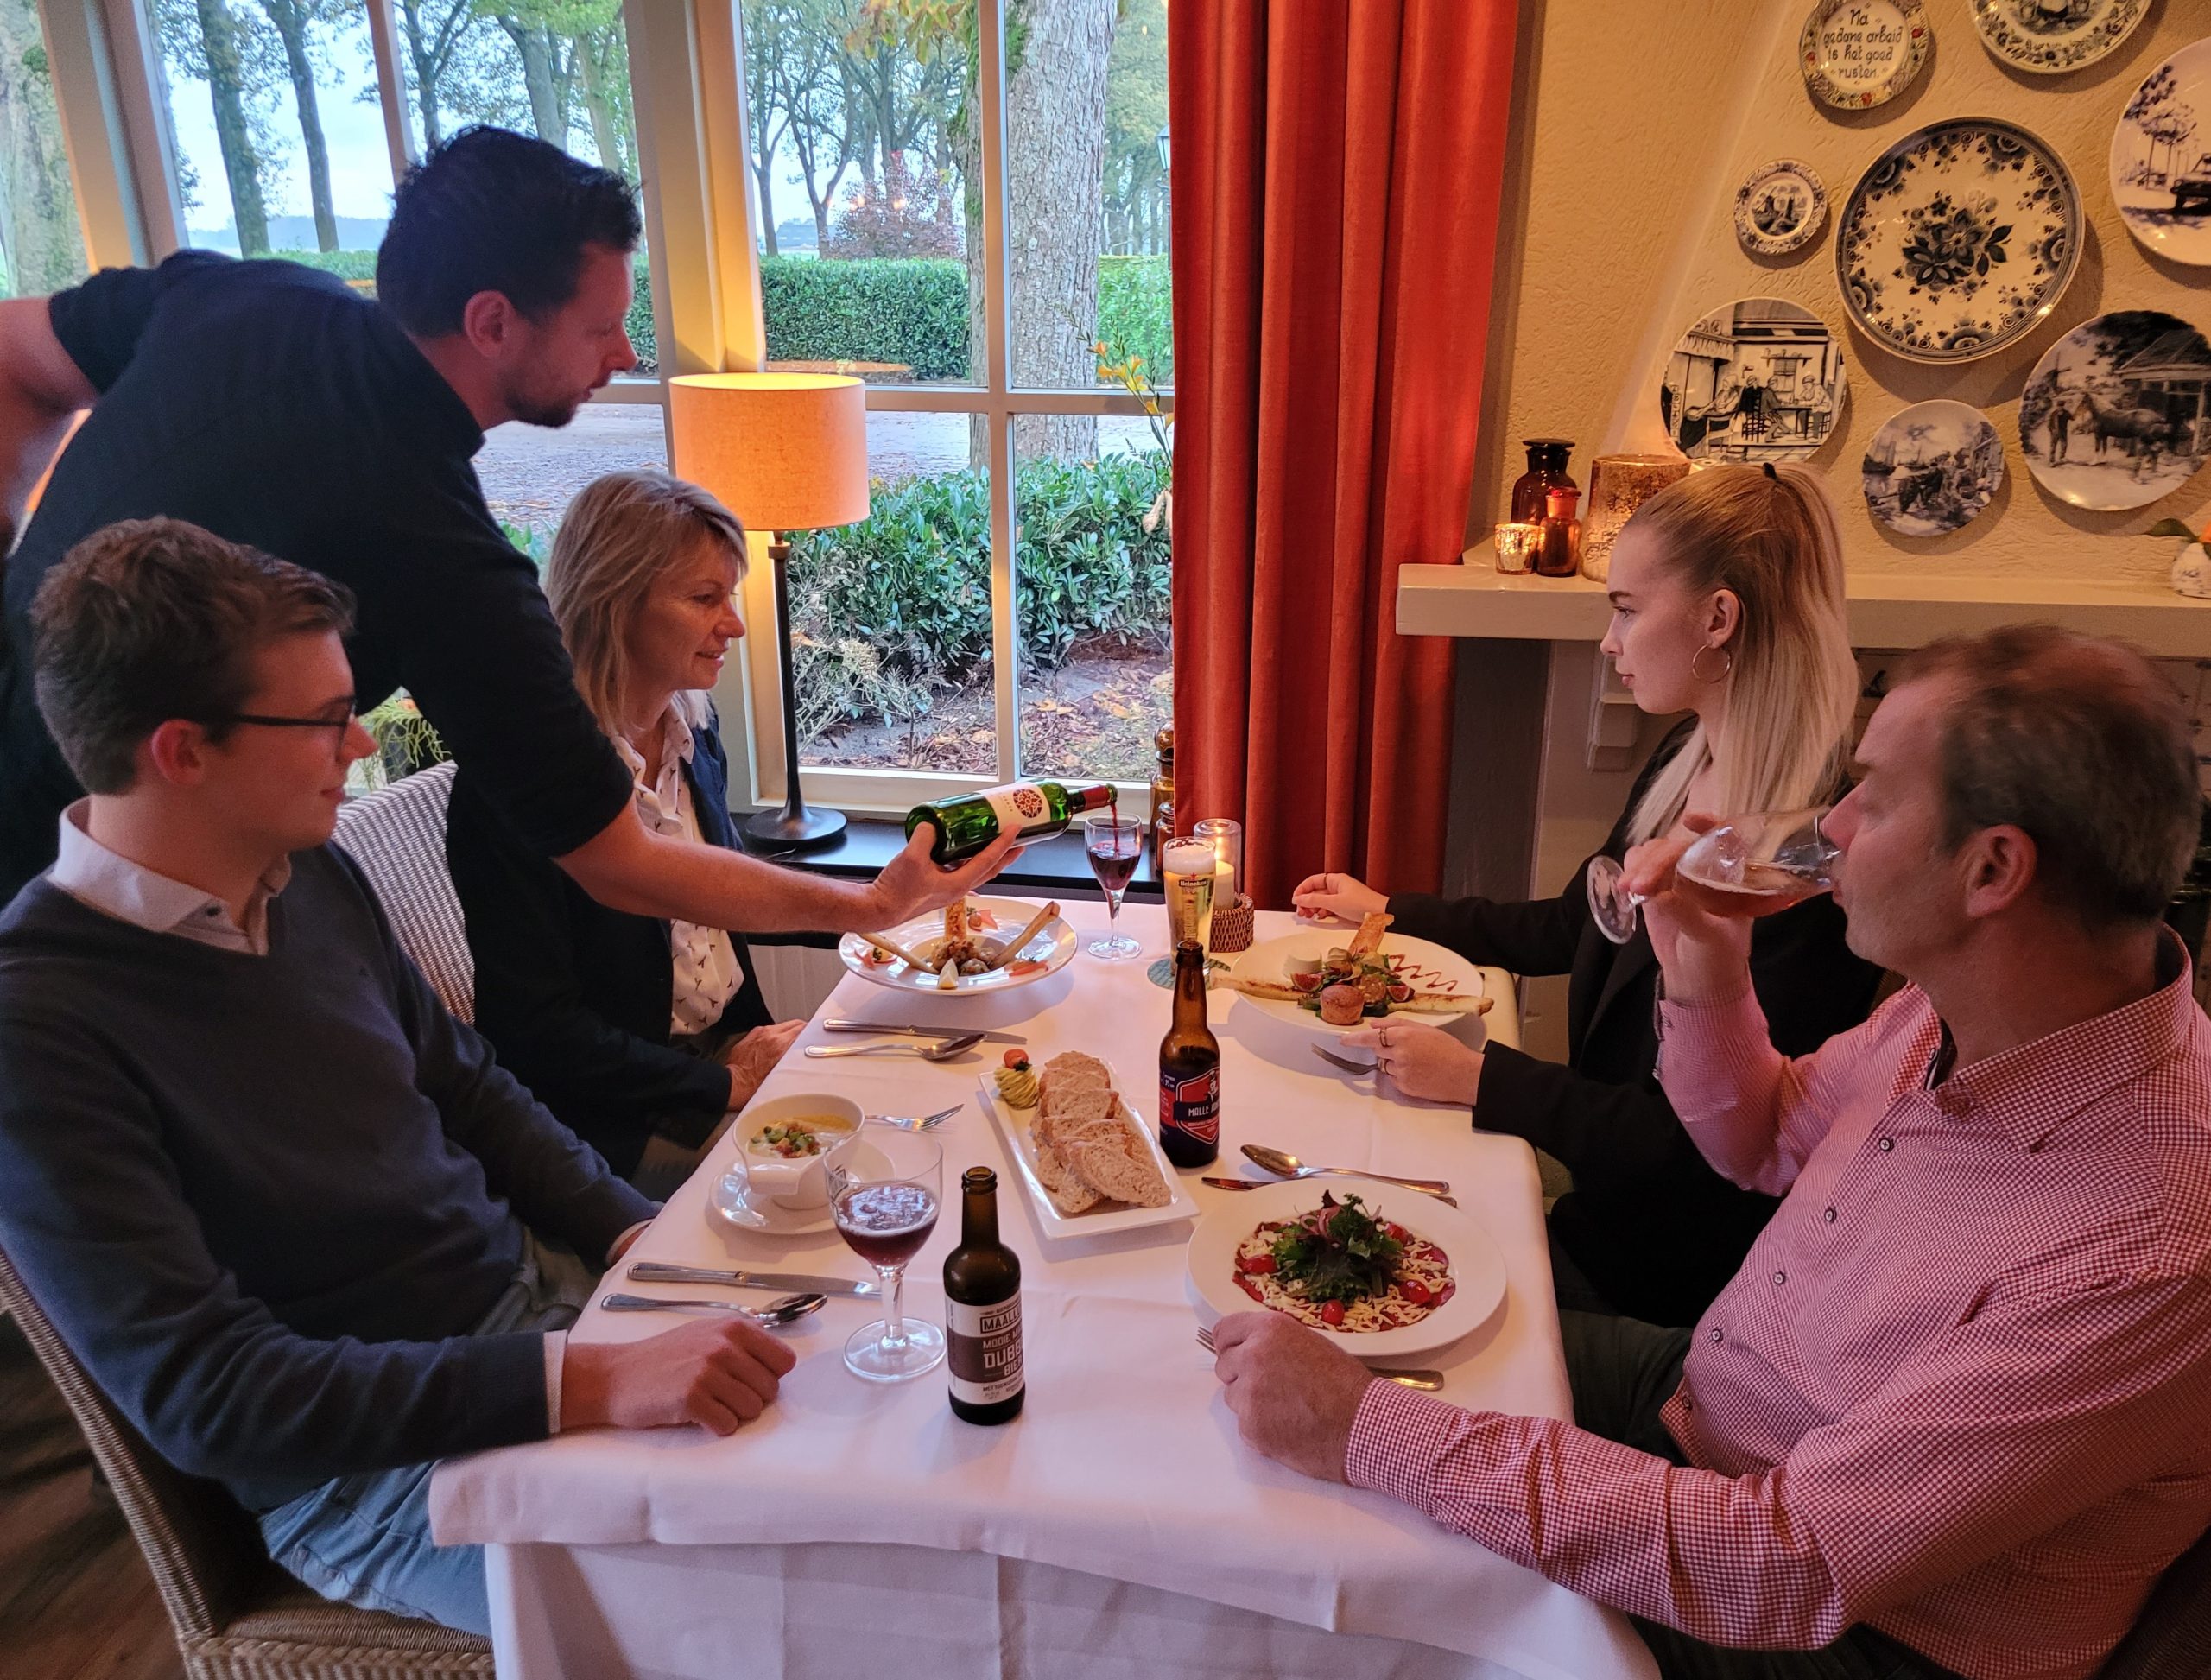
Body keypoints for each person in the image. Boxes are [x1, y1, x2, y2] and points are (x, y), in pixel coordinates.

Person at [1214, 624, 2211, 1680]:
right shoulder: (1952, 1009)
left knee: (1339, 1582)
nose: (1831, 821)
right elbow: (1765, 1140)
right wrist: (1704, 968)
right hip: (1712, 1399)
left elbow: (1789, 1562)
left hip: (1855, 1634)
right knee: (1297, 1332)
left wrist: (1371, 1431)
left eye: (1870, 794)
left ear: (1992, 868)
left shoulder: (2152, 1240)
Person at [0, 518, 807, 1637]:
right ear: (182, 752)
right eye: (327, 722)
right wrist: (584, 1380)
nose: (360, 751)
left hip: (531, 1315)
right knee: (754, 1614)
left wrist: (632, 1235)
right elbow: (213, 1395)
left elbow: (467, 1085)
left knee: (837, 1456)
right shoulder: (41, 1022)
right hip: (369, 1470)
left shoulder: (304, 874)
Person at [0, 125, 1010, 925]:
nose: (622, 352)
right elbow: (621, 862)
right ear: (491, 322)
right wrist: (871, 905)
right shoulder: (441, 555)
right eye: (600, 326)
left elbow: (14, 360)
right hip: (87, 903)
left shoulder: (245, 295)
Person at [1294, 465, 1880, 1325]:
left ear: (1718, 619)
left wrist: (1481, 1077)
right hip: (1600, 1217)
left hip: (1670, 1282)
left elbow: (1694, 1148)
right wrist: (1389, 909)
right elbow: (1570, 926)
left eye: (1627, 608)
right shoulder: (1687, 755)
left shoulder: (1809, 858)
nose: (1609, 642)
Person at [446, 471, 801, 1190]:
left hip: (726, 1057)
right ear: (613, 605)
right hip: (615, 1125)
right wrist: (725, 1086)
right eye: (705, 598)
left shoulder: (696, 731)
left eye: (727, 596)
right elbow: (538, 1037)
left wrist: (897, 924)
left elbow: (723, 896)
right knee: (848, 1179)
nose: (732, 623)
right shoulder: (516, 789)